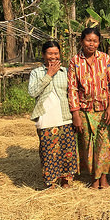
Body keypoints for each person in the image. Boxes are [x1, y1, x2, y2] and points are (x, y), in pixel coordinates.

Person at [68, 27, 110, 189]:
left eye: (95, 41)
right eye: (88, 40)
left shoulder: (105, 59)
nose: (92, 44)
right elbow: (72, 88)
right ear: (82, 41)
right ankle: (94, 180)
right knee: (88, 145)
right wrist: (75, 114)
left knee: (104, 145)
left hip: (104, 110)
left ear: (99, 42)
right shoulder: (75, 61)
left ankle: (104, 179)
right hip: (84, 111)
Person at [29, 41, 77, 189]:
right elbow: (32, 92)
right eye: (50, 54)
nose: (53, 57)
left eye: (56, 53)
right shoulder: (36, 73)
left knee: (67, 151)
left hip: (65, 116)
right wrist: (49, 75)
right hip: (46, 117)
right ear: (44, 55)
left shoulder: (66, 72)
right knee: (48, 152)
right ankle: (50, 182)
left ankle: (65, 180)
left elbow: (72, 93)